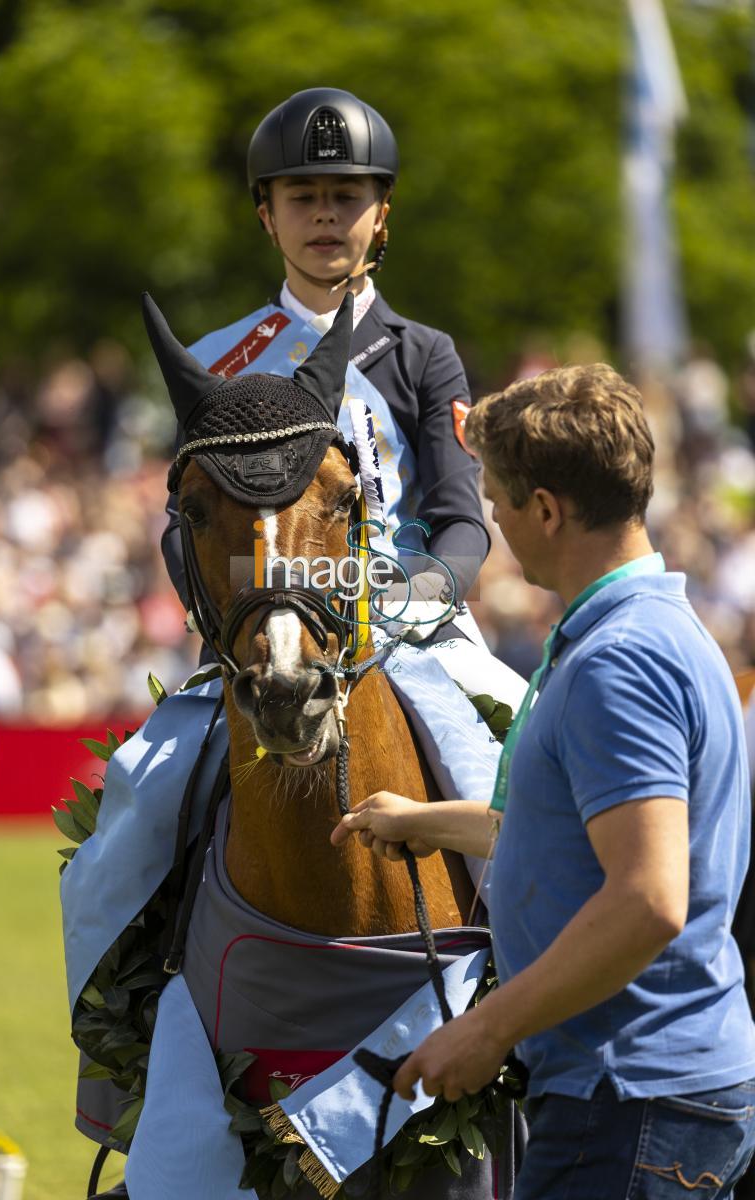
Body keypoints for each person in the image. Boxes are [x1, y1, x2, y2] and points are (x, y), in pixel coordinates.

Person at [332, 363, 755, 1199]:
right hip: (643, 1093)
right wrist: (425, 818)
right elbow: (566, 829)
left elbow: (646, 898)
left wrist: (487, 1028)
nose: (490, 517)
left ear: (549, 510)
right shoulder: (640, 629)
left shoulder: (621, 662)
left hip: (629, 1095)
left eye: (496, 500)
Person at [160, 86, 527, 711]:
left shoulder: (426, 354)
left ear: (383, 211)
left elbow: (460, 516)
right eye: (302, 198)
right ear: (266, 214)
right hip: (252, 633)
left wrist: (426, 590)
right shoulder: (214, 361)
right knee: (144, 790)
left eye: (346, 196)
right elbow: (181, 525)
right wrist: (240, 605)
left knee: (513, 758)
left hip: (410, 628)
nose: (325, 215)